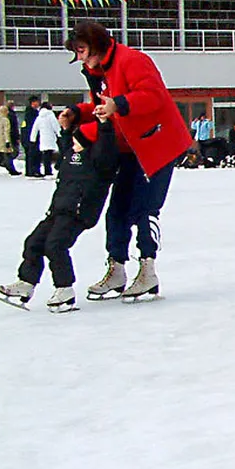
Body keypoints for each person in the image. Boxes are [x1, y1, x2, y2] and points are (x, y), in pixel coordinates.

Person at [60, 20, 192, 302]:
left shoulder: (133, 60)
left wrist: (117, 105)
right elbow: (103, 108)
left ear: (96, 44)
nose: (80, 58)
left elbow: (152, 96)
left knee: (145, 208)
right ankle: (117, 267)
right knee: (117, 209)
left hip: (156, 144)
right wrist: (77, 113)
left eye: (82, 50)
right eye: (77, 53)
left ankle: (148, 269)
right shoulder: (98, 71)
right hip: (130, 147)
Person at [0, 120, 120, 312]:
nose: (73, 143)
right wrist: (65, 128)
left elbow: (107, 147)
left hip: (78, 213)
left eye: (77, 140)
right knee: (34, 242)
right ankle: (26, 284)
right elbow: (65, 142)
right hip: (57, 210)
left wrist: (104, 126)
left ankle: (65, 289)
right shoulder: (70, 155)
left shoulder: (100, 161)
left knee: (55, 245)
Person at [29, 101, 61, 177]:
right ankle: (48, 170)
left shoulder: (39, 117)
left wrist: (32, 138)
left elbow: (35, 128)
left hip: (43, 138)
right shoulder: (51, 115)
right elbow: (55, 126)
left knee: (46, 154)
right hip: (50, 137)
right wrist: (59, 134)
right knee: (49, 154)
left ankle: (46, 169)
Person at [0, 105, 22, 176]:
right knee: (8, 156)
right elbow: (6, 131)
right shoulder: (5, 120)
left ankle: (11, 169)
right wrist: (7, 141)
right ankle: (12, 170)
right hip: (3, 141)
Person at [23, 95, 41, 177]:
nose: (38, 103)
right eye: (37, 102)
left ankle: (29, 171)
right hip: (31, 137)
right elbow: (32, 126)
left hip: (28, 137)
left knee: (29, 155)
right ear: (33, 103)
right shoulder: (32, 113)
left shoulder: (28, 112)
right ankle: (33, 171)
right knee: (33, 155)